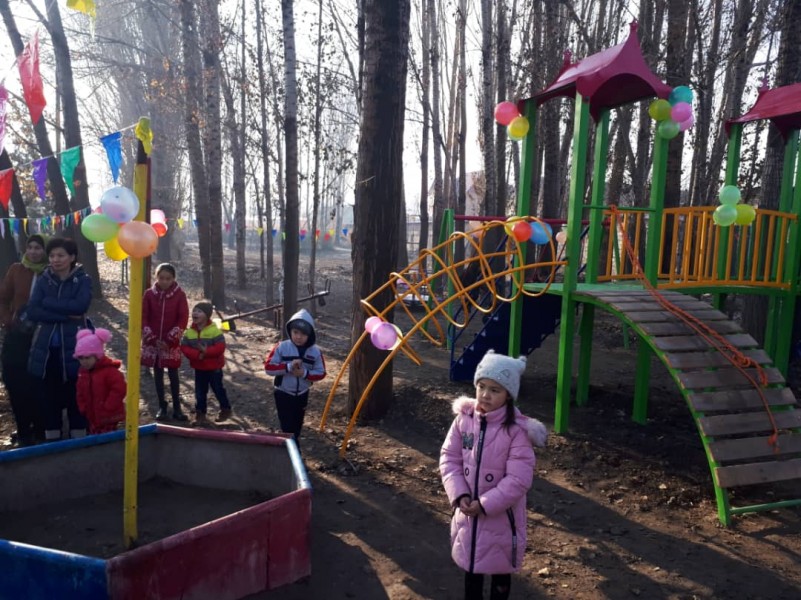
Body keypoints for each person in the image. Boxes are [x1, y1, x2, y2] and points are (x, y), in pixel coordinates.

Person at [439, 350, 547, 600]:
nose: (485, 394)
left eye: (495, 390)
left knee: (500, 570)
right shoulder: (464, 420)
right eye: (481, 386)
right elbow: (449, 458)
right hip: (468, 513)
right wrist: (459, 494)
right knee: (471, 569)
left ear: (508, 394)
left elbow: (518, 480)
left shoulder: (517, 432)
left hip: (500, 518)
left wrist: (485, 504)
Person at [26, 237, 92, 441]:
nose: (56, 259)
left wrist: (48, 302)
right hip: (47, 349)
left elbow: (80, 307)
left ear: (72, 257)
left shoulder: (83, 280)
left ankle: (79, 440)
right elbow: (33, 310)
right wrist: (63, 316)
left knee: (76, 395)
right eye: (52, 255)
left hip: (75, 349)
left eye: (61, 255)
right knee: (49, 398)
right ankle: (52, 441)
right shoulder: (44, 279)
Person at [0, 234, 48, 445]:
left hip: (42, 336)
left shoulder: (51, 272)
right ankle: (23, 430)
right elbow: (2, 298)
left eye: (38, 247)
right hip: (17, 335)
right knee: (15, 381)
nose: (34, 252)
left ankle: (40, 429)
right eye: (31, 247)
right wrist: (7, 320)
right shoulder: (16, 270)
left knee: (37, 383)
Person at [263, 308, 326, 446]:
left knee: (297, 425)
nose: (298, 337)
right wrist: (288, 367)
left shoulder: (315, 352)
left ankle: (293, 444)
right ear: (290, 331)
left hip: (302, 394)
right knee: (286, 426)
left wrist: (304, 374)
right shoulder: (281, 347)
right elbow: (268, 368)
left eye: (303, 334)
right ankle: (291, 448)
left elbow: (321, 373)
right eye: (295, 332)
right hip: (283, 393)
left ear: (310, 335)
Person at [141, 263, 189, 421]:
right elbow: (144, 316)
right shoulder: (149, 294)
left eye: (168, 278)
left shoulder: (180, 295)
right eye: (161, 278)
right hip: (153, 342)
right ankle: (162, 406)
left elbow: (183, 318)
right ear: (156, 277)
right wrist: (152, 338)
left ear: (173, 278)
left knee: (174, 373)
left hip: (171, 343)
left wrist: (170, 339)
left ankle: (177, 407)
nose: (164, 281)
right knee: (158, 373)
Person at [180, 301, 233, 425]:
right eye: (194, 311)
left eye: (199, 311)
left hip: (214, 368)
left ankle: (225, 409)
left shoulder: (215, 331)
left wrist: (207, 351)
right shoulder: (190, 332)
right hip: (199, 367)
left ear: (207, 315)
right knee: (200, 392)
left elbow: (220, 347)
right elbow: (184, 347)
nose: (195, 313)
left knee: (218, 389)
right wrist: (197, 355)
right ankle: (200, 414)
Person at [74, 328, 126, 434]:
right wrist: (83, 407)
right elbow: (80, 392)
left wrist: (109, 406)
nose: (84, 361)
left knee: (110, 440)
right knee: (96, 438)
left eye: (87, 358)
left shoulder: (109, 371)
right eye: (81, 358)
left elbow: (119, 389)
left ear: (97, 356)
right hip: (92, 416)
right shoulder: (83, 373)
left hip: (110, 418)